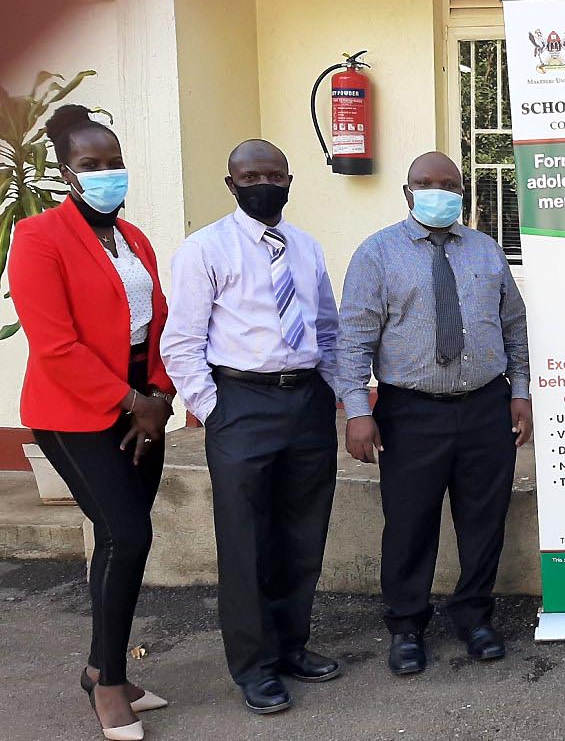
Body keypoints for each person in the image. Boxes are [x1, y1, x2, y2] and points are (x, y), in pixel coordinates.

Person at [9, 105, 175, 741]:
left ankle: (105, 667)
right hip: (74, 412)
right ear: (66, 172)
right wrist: (132, 402)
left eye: (114, 163)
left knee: (126, 541)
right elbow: (54, 344)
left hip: (144, 406)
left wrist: (157, 393)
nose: (107, 174)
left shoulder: (134, 239)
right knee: (125, 535)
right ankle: (109, 683)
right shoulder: (38, 238)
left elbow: (157, 325)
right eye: (91, 165)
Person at [160, 140, 342, 715]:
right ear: (231, 182)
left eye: (274, 174)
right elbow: (181, 343)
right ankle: (255, 666)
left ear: (289, 180)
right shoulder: (204, 248)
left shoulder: (308, 248)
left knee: (302, 535)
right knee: (246, 542)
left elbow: (328, 330)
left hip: (307, 403)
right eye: (250, 175)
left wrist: (343, 398)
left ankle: (292, 647)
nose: (264, 182)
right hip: (241, 403)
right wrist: (216, 410)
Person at [337, 151, 532, 676]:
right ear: (407, 191)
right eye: (425, 183)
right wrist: (358, 409)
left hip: (486, 406)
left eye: (448, 184)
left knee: (483, 519)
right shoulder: (376, 254)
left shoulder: (487, 251)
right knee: (408, 523)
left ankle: (474, 617)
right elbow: (352, 339)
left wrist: (523, 392)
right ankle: (406, 626)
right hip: (410, 411)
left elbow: (514, 325)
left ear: (461, 192)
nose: (437, 191)